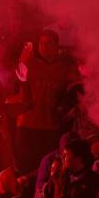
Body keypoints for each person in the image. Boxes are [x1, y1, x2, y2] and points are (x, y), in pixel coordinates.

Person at [15, 30, 81, 173]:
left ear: (56, 46)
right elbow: (20, 89)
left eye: (49, 43)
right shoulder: (29, 63)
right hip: (28, 124)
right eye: (41, 43)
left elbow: (75, 86)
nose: (44, 47)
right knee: (25, 166)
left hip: (51, 126)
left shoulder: (65, 67)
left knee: (46, 167)